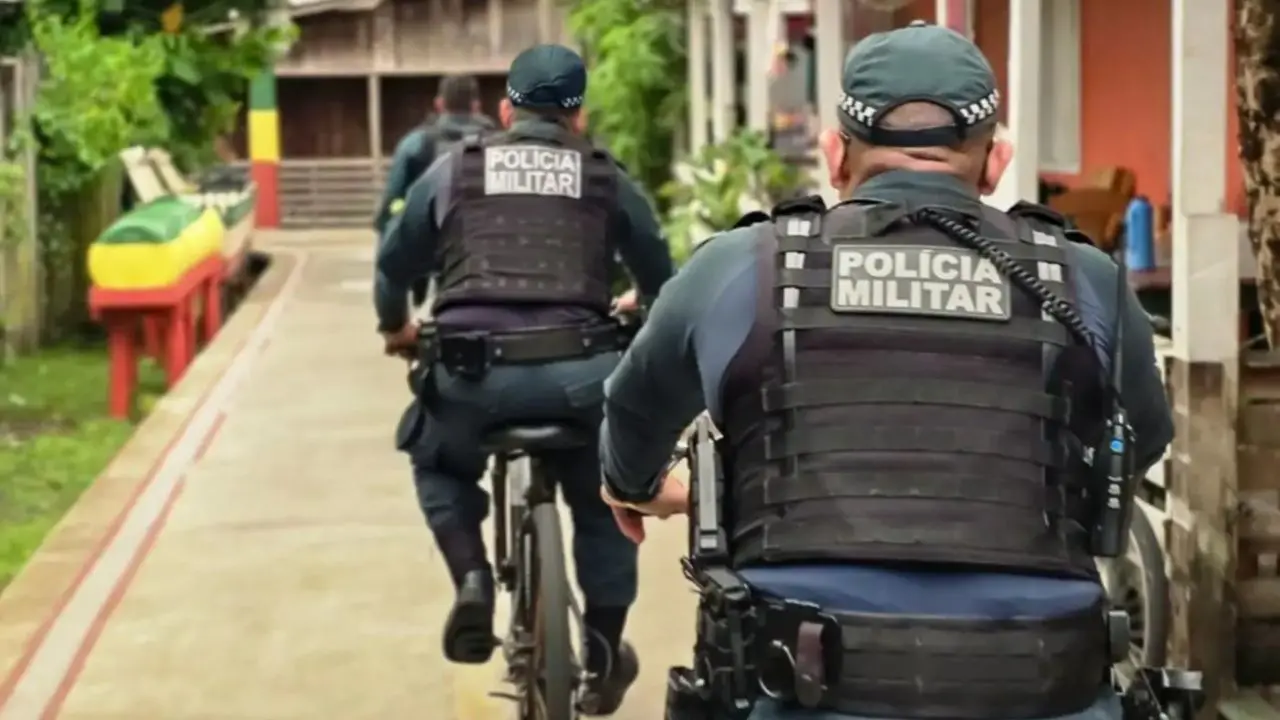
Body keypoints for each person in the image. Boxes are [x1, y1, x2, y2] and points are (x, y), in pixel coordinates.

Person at [597, 22, 1173, 720]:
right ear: (994, 163)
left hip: (802, 689)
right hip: (1040, 685)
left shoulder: (742, 268)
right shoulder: (1082, 280)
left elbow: (633, 406)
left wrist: (640, 484)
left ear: (834, 154)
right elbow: (1143, 434)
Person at [375, 43, 674, 715]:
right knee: (605, 498)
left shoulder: (454, 171)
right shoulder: (603, 175)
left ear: (507, 111)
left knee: (440, 465)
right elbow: (659, 273)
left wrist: (396, 327)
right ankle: (601, 649)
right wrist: (640, 304)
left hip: (471, 374)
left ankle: (474, 579)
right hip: (582, 372)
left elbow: (394, 265)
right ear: (578, 115)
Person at [375, 74, 497, 307]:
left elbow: (391, 205)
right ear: (476, 106)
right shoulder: (502, 144)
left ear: (439, 104)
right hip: (490, 253)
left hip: (432, 250)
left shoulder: (416, 144)